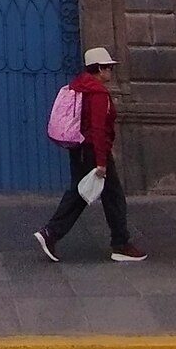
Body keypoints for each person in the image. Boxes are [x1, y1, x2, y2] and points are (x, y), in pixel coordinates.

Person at [35, 47, 147, 264]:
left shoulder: (79, 86)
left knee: (80, 193)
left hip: (80, 148)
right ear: (100, 68)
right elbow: (97, 128)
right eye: (108, 68)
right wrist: (102, 162)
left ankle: (52, 233)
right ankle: (119, 244)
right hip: (93, 150)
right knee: (111, 196)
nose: (111, 72)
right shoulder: (97, 93)